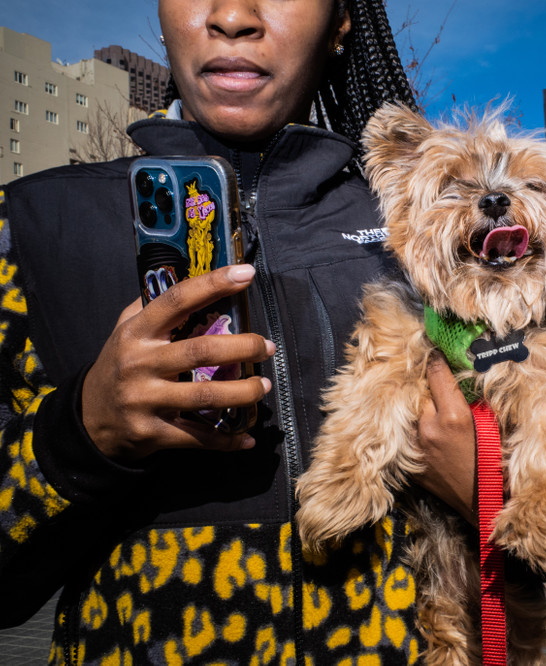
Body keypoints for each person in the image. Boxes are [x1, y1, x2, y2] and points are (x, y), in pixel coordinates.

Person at [0, 1, 482, 661]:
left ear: (341, 20)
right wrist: (85, 432)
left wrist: (485, 489)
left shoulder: (432, 224)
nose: (232, 15)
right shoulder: (31, 225)